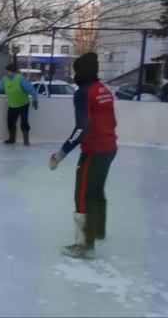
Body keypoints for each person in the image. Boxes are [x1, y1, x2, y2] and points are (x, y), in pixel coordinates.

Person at [49, 52, 117, 259]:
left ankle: (84, 245)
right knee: (97, 191)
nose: (74, 74)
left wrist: (61, 153)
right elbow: (113, 122)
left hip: (94, 151)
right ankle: (98, 230)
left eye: (76, 70)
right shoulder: (103, 90)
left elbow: (82, 128)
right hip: (110, 148)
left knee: (83, 194)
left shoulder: (83, 93)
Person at [0, 63, 38, 145]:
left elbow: (31, 89)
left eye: (8, 71)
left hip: (23, 104)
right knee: (10, 122)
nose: (6, 73)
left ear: (12, 72)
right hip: (12, 105)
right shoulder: (5, 79)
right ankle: (11, 139)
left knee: (24, 122)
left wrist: (35, 100)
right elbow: (0, 88)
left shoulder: (20, 79)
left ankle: (26, 141)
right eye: (5, 71)